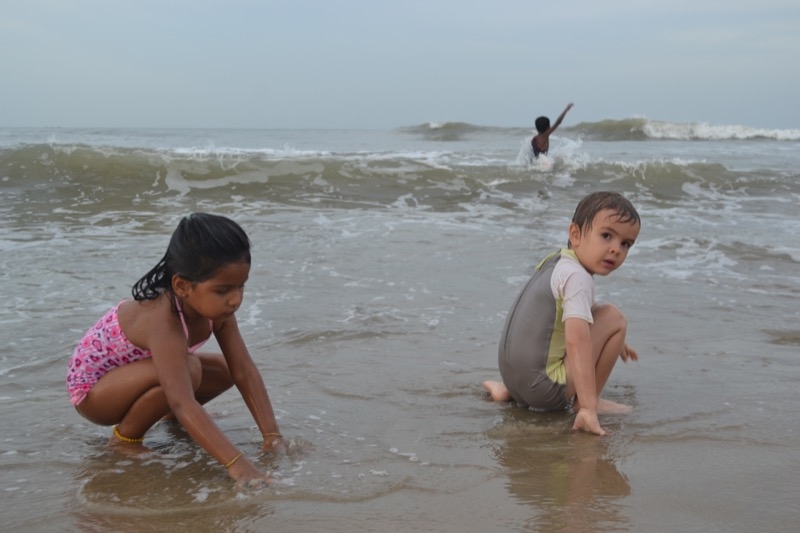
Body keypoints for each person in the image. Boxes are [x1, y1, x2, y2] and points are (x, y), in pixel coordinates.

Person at [67, 213, 284, 485]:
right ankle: (125, 440)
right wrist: (238, 465)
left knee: (225, 369)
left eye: (241, 286)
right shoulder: (163, 321)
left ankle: (168, 417)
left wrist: (272, 436)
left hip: (136, 376)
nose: (235, 300)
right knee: (189, 370)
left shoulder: (219, 312)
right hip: (95, 395)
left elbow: (243, 370)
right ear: (182, 286)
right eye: (223, 290)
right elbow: (182, 400)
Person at [483, 191, 641, 436]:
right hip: (544, 390)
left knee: (604, 320)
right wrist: (587, 407)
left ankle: (506, 391)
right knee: (615, 318)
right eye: (606, 236)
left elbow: (570, 315)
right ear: (575, 234)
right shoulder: (578, 277)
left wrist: (613, 341)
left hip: (512, 379)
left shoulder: (557, 262)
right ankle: (589, 404)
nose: (616, 250)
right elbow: (576, 341)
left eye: (626, 244)